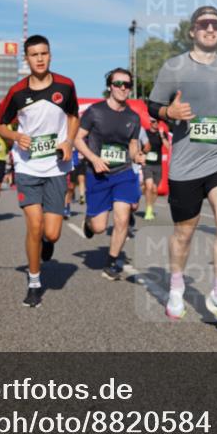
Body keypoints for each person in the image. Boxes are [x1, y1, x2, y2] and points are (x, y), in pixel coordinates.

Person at [148, 6, 217, 329]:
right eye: (203, 24)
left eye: (215, 24)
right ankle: (176, 287)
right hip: (186, 163)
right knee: (184, 233)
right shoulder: (174, 67)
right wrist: (169, 113)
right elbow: (153, 106)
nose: (209, 28)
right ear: (191, 31)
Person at [0, 35, 79, 308]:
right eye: (34, 54)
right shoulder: (17, 91)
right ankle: (34, 282)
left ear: (50, 55)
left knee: (52, 233)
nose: (40, 58)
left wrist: (68, 141)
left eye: (44, 53)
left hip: (56, 166)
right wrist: (15, 136)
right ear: (27, 58)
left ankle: (46, 243)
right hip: (27, 165)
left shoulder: (66, 86)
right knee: (34, 224)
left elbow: (73, 116)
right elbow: (0, 126)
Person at [76, 68, 145, 280]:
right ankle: (88, 222)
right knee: (99, 227)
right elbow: (78, 139)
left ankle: (112, 262)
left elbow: (133, 146)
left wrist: (138, 156)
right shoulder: (95, 111)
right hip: (98, 174)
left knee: (123, 218)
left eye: (127, 85)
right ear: (110, 87)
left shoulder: (133, 117)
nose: (123, 88)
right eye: (118, 84)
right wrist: (94, 159)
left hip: (123, 172)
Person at [141, 118, 169, 221]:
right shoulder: (145, 133)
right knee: (149, 186)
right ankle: (148, 211)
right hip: (147, 164)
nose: (156, 123)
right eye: (153, 122)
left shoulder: (162, 134)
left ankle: (150, 207)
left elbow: (168, 147)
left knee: (154, 189)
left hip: (158, 165)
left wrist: (162, 136)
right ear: (150, 123)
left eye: (157, 122)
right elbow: (139, 144)